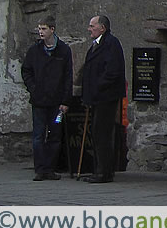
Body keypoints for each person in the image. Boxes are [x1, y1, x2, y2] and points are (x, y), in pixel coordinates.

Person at [20, 19, 71, 181]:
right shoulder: (35, 50)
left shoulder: (63, 50)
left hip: (57, 102)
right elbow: (26, 71)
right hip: (39, 101)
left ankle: (50, 168)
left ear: (52, 29)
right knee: (38, 135)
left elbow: (68, 77)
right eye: (39, 29)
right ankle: (40, 169)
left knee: (55, 135)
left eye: (44, 29)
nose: (40, 32)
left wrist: (65, 101)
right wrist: (33, 88)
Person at [78, 15, 124, 184]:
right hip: (96, 97)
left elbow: (112, 71)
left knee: (102, 133)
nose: (89, 29)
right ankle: (99, 169)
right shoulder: (96, 45)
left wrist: (97, 87)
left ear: (102, 28)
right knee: (97, 133)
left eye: (92, 26)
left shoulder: (111, 44)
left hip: (106, 96)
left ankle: (103, 172)